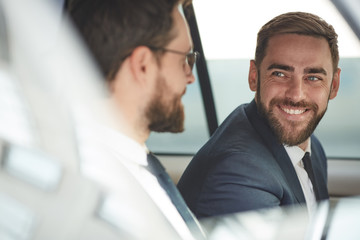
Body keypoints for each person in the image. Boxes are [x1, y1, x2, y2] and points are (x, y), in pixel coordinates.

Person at [178, 11, 340, 218]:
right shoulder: (240, 172)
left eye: (313, 77)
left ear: (334, 85)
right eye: (280, 74)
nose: (296, 95)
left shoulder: (311, 147)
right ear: (254, 76)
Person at [67, 0, 204, 239]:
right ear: (142, 65)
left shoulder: (134, 160)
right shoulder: (98, 189)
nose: (190, 77)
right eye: (184, 59)